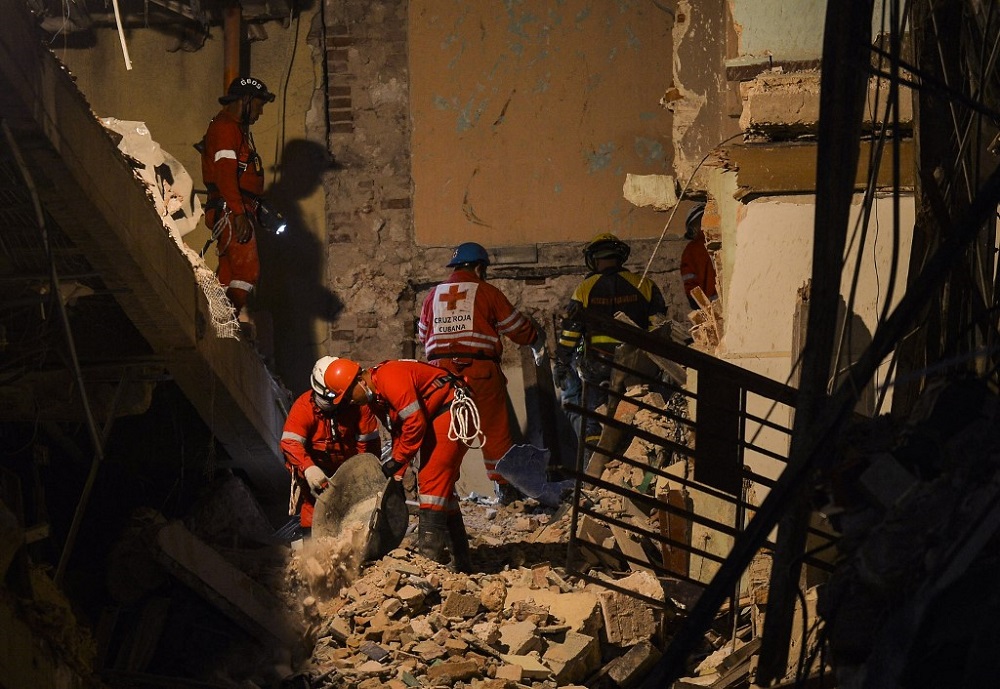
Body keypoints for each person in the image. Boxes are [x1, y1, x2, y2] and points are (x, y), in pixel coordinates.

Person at [418, 242, 546, 506]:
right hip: (481, 371)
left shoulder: (432, 296)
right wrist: (535, 337)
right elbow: (518, 329)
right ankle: (505, 492)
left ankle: (441, 492)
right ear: (479, 267)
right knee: (494, 432)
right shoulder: (487, 292)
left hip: (441, 376)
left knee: (446, 433)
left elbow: (423, 336)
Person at [322, 357, 476, 571]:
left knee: (431, 482)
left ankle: (428, 563)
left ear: (360, 381)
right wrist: (397, 475)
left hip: (451, 409)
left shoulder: (390, 378)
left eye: (349, 394)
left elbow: (414, 423)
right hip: (439, 412)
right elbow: (399, 431)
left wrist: (397, 460)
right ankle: (461, 562)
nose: (350, 400)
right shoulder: (375, 398)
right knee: (442, 491)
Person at [554, 232, 667, 452]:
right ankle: (635, 452)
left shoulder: (585, 288)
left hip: (598, 364)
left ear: (594, 260)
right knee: (637, 413)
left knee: (595, 419)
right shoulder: (644, 285)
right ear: (620, 257)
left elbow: (571, 331)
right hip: (636, 365)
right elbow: (659, 328)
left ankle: (597, 465)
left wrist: (561, 361)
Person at [199, 76, 275, 318]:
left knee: (229, 275)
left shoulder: (233, 129)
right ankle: (224, 323)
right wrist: (239, 213)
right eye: (259, 106)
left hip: (234, 208)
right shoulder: (225, 128)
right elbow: (225, 175)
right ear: (246, 100)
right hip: (232, 209)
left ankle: (219, 323)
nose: (260, 113)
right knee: (247, 271)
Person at [280, 356, 382, 535]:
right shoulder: (304, 407)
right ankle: (311, 547)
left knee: (354, 510)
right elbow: (290, 442)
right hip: (317, 470)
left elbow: (368, 449)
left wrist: (366, 475)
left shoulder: (359, 409)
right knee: (313, 508)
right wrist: (308, 468)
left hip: (350, 469)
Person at [680, 202, 719, 310]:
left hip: (713, 307)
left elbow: (690, 285)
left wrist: (701, 308)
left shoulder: (691, 250)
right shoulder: (724, 238)